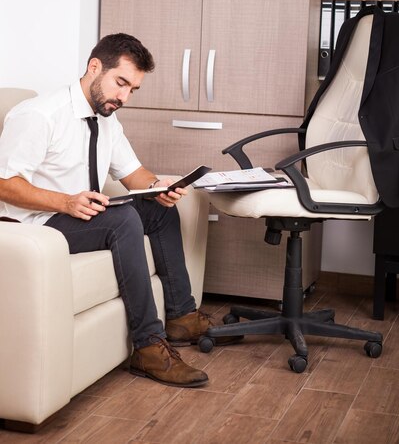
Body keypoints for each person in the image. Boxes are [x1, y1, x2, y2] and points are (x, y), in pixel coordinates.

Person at [0, 33, 230, 388]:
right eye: (121, 83)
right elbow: (5, 184)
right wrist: (66, 201)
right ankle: (148, 347)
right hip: (37, 225)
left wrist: (158, 189)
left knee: (156, 210)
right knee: (123, 219)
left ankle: (182, 315)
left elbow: (133, 174)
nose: (123, 97)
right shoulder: (39, 114)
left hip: (80, 214)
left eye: (133, 89)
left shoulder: (106, 116)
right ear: (95, 67)